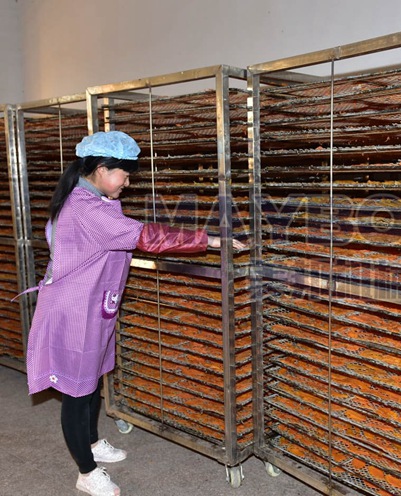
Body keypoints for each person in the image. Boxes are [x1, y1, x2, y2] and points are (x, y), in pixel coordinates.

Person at [20, 131, 245, 496]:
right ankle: (85, 471)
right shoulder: (85, 208)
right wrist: (209, 240)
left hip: (92, 305)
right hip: (73, 311)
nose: (127, 182)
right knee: (77, 393)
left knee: (91, 383)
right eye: (123, 175)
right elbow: (147, 237)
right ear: (101, 168)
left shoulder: (93, 198)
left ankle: (92, 444)